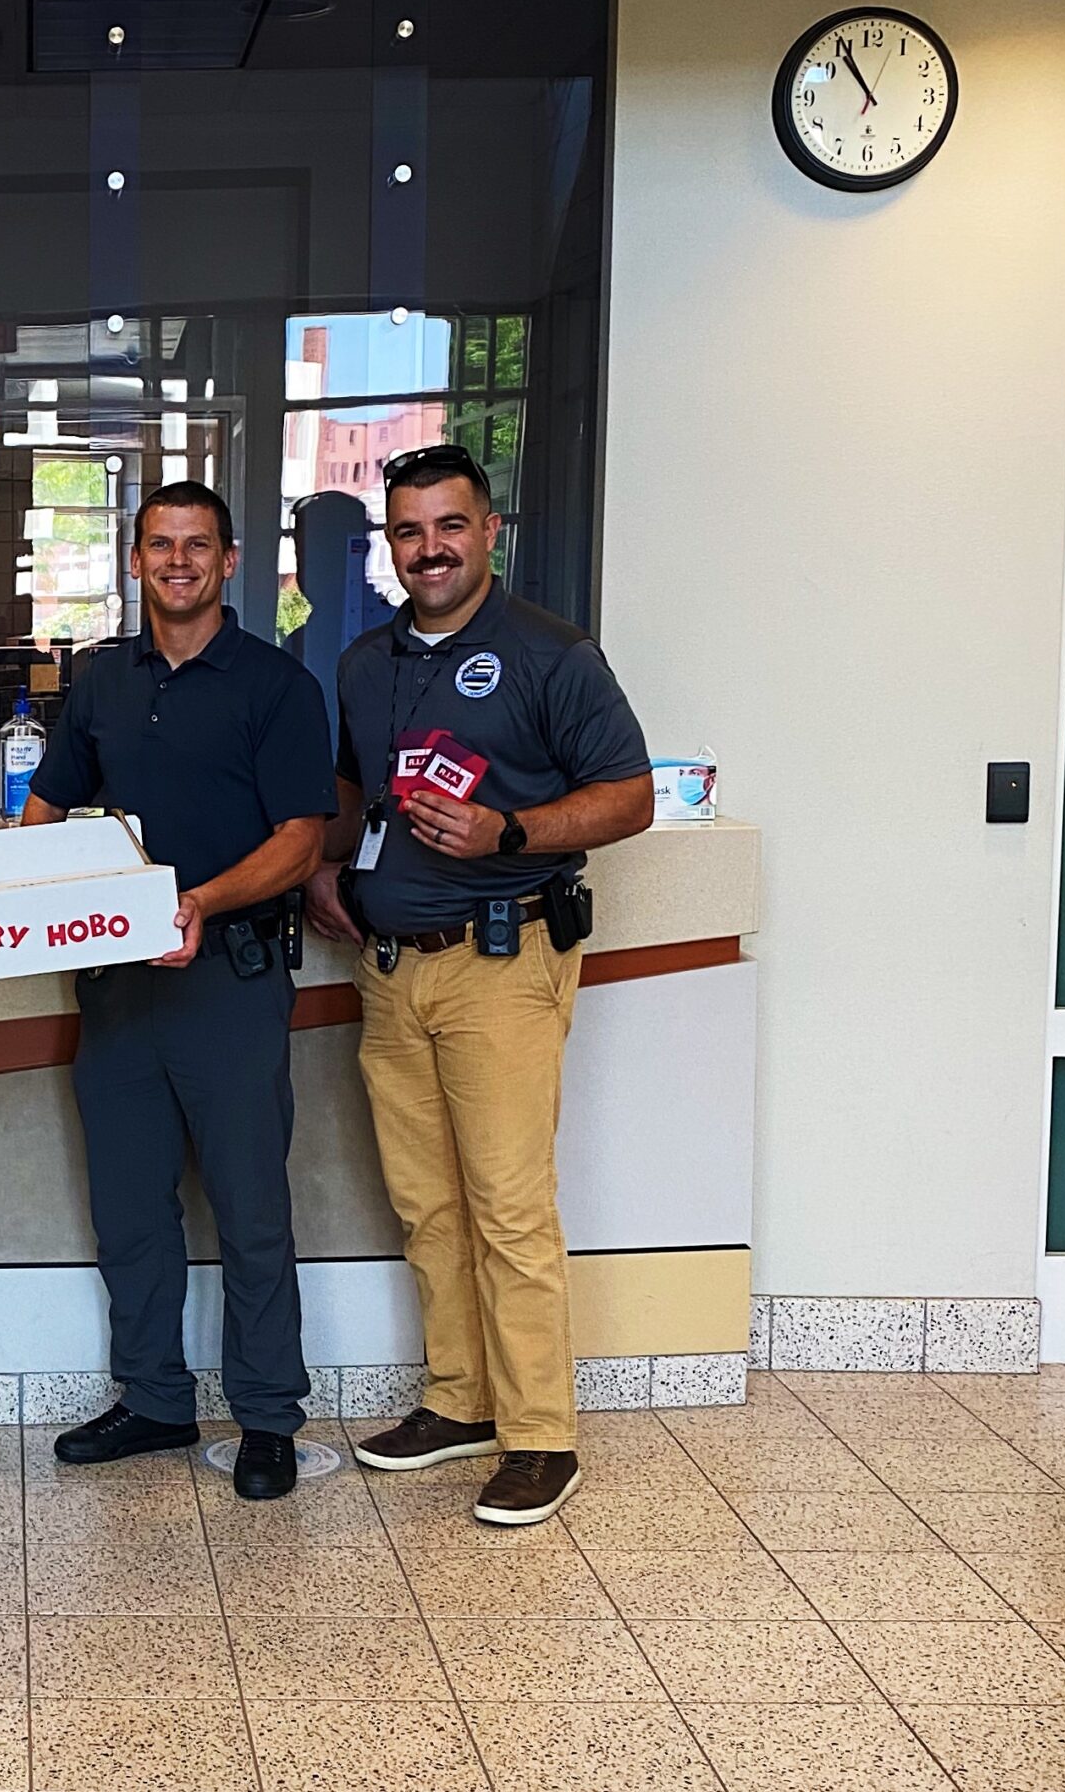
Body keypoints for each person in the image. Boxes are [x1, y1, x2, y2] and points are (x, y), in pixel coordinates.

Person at [307, 442, 653, 1529]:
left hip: (504, 962)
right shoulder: (366, 661)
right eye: (408, 531)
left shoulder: (552, 653)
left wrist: (512, 827)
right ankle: (458, 1400)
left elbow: (630, 796)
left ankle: (541, 1432)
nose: (429, 549)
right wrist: (325, 864)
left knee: (508, 1206)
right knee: (425, 1202)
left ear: (488, 530)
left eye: (448, 526)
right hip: (391, 971)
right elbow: (354, 785)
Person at [23, 481, 334, 1501]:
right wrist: (17, 890)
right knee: (130, 1208)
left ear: (230, 559)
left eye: (197, 545)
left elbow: (300, 839)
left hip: (230, 979)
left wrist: (195, 901)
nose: (178, 561)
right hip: (116, 991)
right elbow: (48, 806)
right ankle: (154, 1398)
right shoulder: (102, 679)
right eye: (160, 544)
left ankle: (267, 1415)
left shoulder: (278, 685)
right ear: (134, 559)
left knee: (249, 1208)